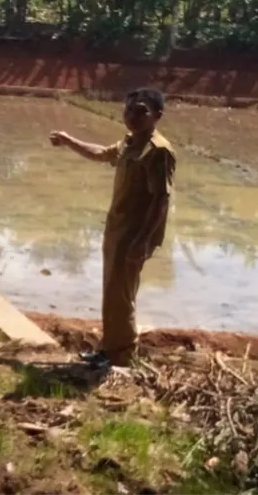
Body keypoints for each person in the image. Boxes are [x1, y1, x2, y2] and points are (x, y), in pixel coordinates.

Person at [49, 88, 176, 370]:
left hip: (134, 234)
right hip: (118, 228)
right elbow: (102, 154)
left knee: (122, 295)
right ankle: (109, 350)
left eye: (141, 111)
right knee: (112, 291)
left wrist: (142, 242)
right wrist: (70, 141)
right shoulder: (131, 142)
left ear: (157, 115)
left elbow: (161, 200)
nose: (132, 116)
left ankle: (121, 358)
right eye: (128, 110)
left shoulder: (158, 151)